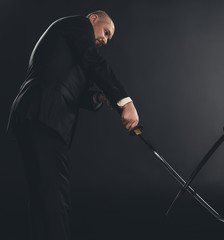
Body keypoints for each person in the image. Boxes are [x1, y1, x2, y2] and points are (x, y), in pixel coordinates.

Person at [7, 10, 139, 240]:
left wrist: (98, 98)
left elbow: (69, 89)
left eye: (109, 38)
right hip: (44, 117)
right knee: (54, 197)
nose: (105, 40)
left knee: (42, 196)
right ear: (93, 19)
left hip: (34, 115)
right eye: (106, 32)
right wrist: (125, 101)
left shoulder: (69, 44)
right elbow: (94, 63)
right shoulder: (78, 26)